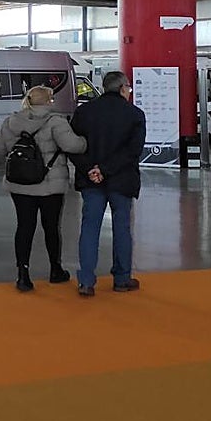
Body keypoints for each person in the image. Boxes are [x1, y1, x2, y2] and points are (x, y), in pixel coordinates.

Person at [0, 85, 87, 292]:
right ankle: (55, 269)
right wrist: (84, 141)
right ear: (49, 101)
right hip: (49, 184)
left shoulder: (11, 121)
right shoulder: (56, 121)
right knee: (51, 227)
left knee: (24, 227)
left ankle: (23, 275)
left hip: (19, 183)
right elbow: (73, 146)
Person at [69, 70, 146, 297]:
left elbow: (73, 146)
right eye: (128, 88)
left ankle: (86, 281)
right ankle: (122, 278)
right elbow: (133, 152)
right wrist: (106, 169)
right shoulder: (135, 114)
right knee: (122, 228)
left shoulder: (84, 112)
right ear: (122, 88)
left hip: (91, 180)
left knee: (89, 228)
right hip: (122, 180)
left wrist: (91, 169)